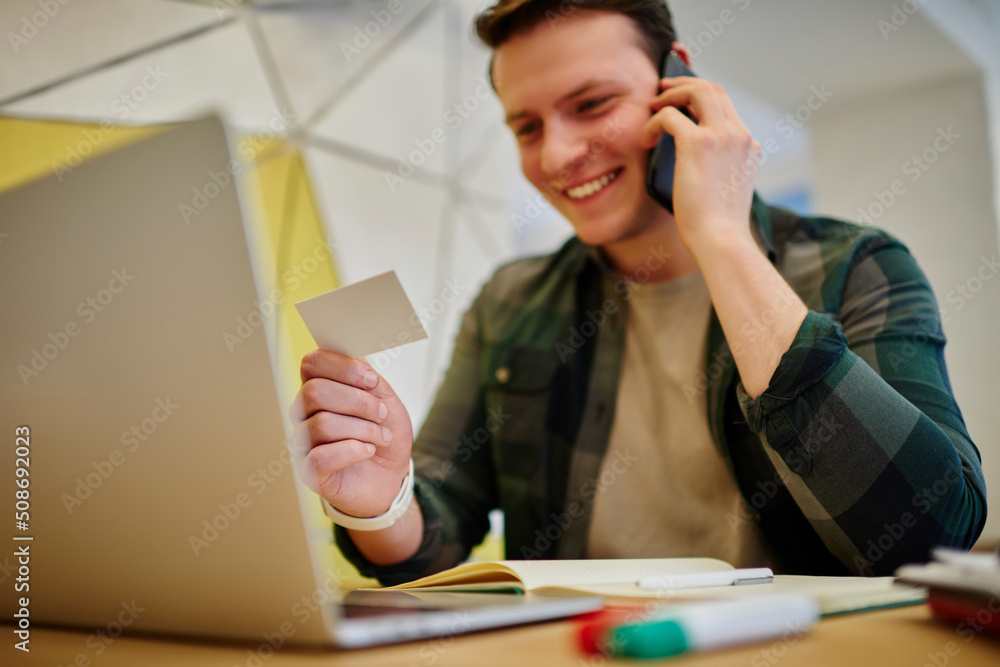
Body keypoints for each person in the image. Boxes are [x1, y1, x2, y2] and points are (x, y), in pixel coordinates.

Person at [291, 0, 987, 585]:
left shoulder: (859, 266)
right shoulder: (509, 301)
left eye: (592, 104)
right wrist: (379, 501)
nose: (557, 156)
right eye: (527, 127)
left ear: (678, 81)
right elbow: (436, 536)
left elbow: (927, 535)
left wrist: (720, 235)